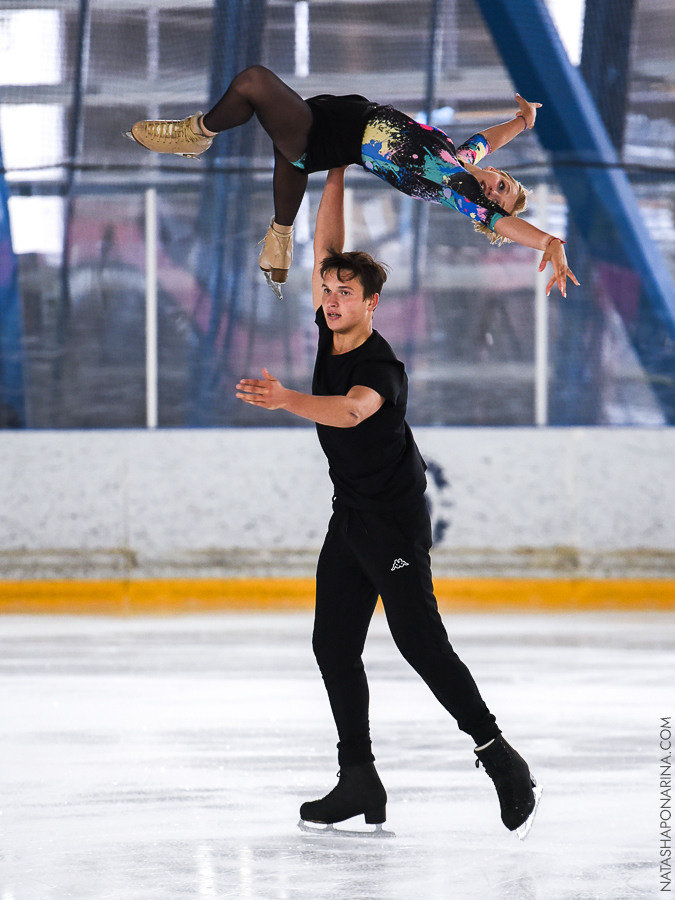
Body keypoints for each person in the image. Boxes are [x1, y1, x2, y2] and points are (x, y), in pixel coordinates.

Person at [234, 166, 543, 839]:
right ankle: (358, 779)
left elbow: (350, 413)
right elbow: (326, 246)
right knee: (332, 647)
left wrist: (288, 399)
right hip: (350, 518)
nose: (331, 297)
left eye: (345, 292)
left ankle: (499, 757)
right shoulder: (328, 323)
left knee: (420, 645)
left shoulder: (381, 367)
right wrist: (338, 168)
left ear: (372, 303)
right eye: (327, 291)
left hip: (394, 523)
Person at [128, 65, 578, 298]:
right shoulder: (459, 158)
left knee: (253, 83)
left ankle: (196, 133)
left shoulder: (456, 187)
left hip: (330, 137)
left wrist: (548, 243)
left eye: (499, 200)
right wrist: (525, 120)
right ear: (497, 173)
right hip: (334, 116)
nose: (495, 191)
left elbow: (504, 225)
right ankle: (280, 237)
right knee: (280, 142)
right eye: (504, 185)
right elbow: (489, 139)